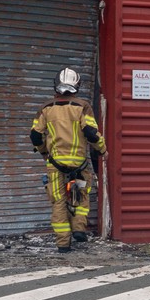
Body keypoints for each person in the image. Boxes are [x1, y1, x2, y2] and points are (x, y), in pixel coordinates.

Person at [30, 67, 107, 252]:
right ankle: (79, 229)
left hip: (56, 165)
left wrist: (43, 152)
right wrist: (103, 150)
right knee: (80, 195)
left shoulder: (46, 108)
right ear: (77, 85)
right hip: (79, 165)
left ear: (56, 85)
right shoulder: (82, 106)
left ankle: (63, 244)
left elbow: (35, 135)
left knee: (58, 202)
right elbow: (91, 133)